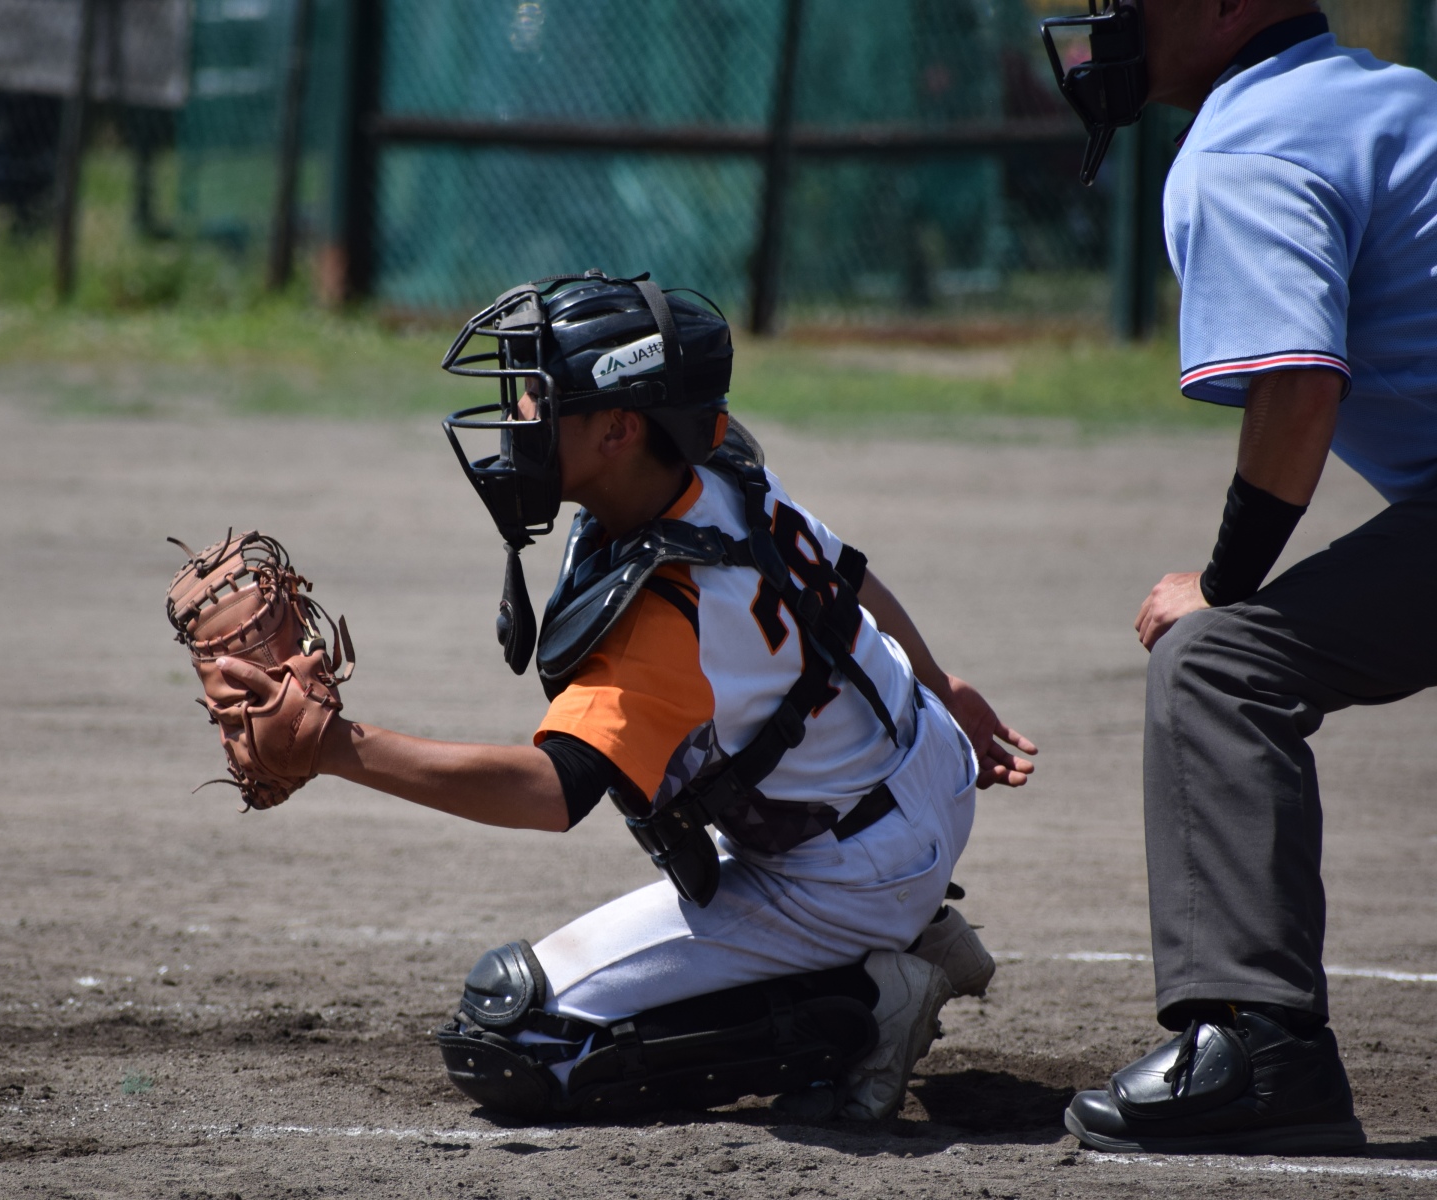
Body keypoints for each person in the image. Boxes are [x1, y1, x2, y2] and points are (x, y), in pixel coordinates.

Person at [217, 271, 1036, 1120]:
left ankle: (869, 999)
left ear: (618, 427)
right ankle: (903, 925)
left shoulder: (671, 611)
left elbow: (551, 793)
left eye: (539, 397)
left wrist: (334, 747)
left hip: (845, 874)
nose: (517, 416)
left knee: (514, 1033)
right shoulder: (716, 466)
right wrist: (941, 685)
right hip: (921, 764)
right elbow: (845, 578)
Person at [1040, 0, 1437, 1156]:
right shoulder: (1392, 99)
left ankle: (1262, 1055)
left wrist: (1222, 583)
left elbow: (1298, 385)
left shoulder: (1248, 142)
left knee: (1218, 663)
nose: (1108, 20)